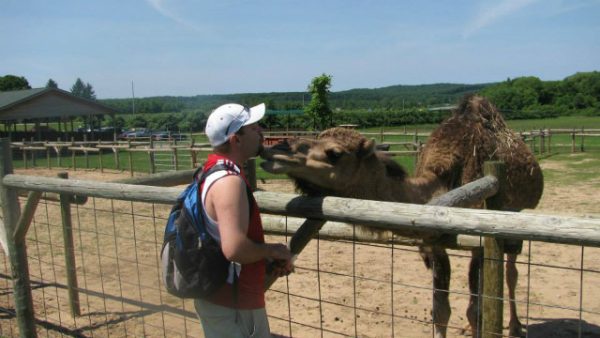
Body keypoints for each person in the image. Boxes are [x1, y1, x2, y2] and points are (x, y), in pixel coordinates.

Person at [195, 102, 293, 338]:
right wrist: (275, 250)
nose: (261, 132)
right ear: (235, 139)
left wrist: (265, 257)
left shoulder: (210, 170)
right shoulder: (229, 182)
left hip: (220, 294)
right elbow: (235, 248)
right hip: (233, 301)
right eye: (253, 128)